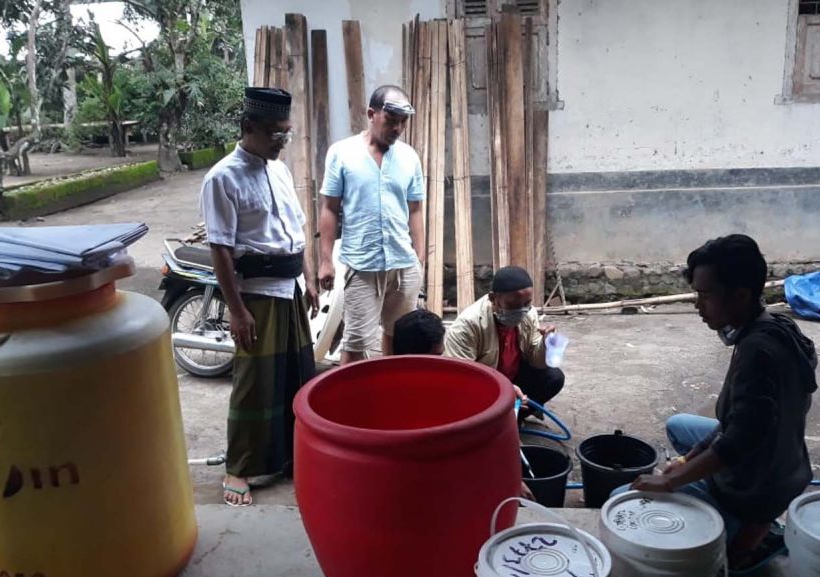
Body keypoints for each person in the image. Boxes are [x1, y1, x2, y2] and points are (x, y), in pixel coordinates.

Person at [628, 234, 817, 572]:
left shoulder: (756, 352)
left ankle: (749, 535)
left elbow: (739, 440)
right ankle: (743, 520)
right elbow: (737, 422)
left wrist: (671, 480)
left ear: (741, 295)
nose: (697, 306)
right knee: (680, 426)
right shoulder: (775, 326)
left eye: (704, 295)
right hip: (786, 459)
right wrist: (688, 460)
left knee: (623, 501)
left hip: (760, 486)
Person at [200, 87, 319, 507]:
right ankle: (239, 466)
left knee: (295, 375)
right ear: (248, 127)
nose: (281, 142)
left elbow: (296, 230)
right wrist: (236, 311)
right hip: (257, 294)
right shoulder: (222, 178)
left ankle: (288, 455)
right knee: (254, 383)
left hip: (290, 289)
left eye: (286, 134)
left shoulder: (279, 170)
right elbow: (220, 248)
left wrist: (309, 280)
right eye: (274, 134)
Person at [317, 85, 425, 364]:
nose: (398, 128)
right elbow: (329, 208)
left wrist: (419, 258)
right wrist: (326, 261)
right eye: (391, 120)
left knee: (399, 338)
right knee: (356, 343)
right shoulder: (342, 153)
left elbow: (415, 209)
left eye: (403, 122)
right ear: (371, 114)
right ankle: (350, 406)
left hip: (403, 264)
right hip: (362, 266)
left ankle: (392, 397)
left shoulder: (409, 157)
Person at [444, 266, 563, 412]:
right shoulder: (467, 326)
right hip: (483, 385)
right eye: (512, 305)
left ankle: (512, 418)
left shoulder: (529, 314)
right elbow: (462, 379)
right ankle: (497, 419)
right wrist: (503, 389)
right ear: (493, 299)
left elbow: (534, 359)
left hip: (512, 379)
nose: (521, 311)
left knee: (553, 378)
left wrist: (545, 345)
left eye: (526, 303)